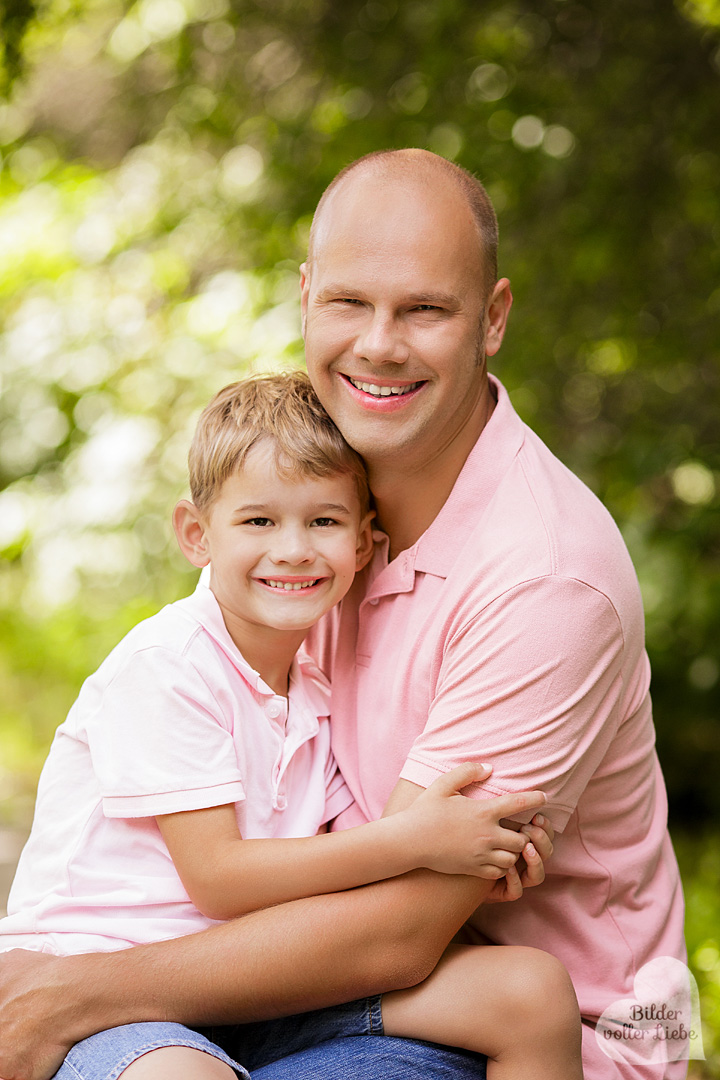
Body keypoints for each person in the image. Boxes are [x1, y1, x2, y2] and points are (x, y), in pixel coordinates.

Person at [0, 149, 686, 1080]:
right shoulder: (313, 513)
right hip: (276, 979)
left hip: (494, 1016)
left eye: (426, 309)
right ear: (306, 297)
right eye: (350, 304)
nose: (379, 345)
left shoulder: (543, 578)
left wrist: (74, 994)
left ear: (492, 319)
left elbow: (397, 928)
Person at [0, 372, 578, 1080]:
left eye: (324, 521)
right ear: (196, 533)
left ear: (364, 543)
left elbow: (339, 859)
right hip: (109, 991)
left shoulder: (313, 684)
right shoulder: (167, 665)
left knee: (531, 993)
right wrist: (414, 840)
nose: (295, 548)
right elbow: (219, 879)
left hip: (250, 986)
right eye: (259, 521)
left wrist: (476, 855)